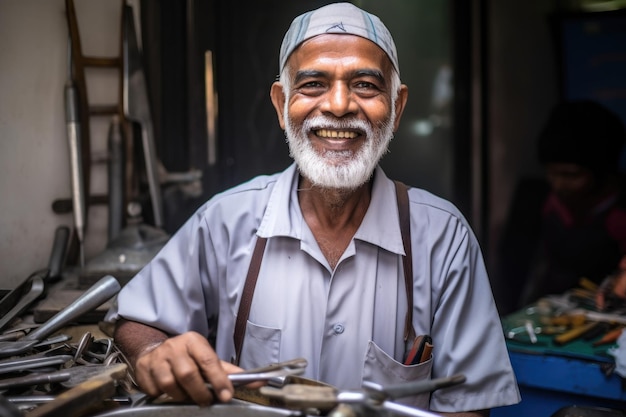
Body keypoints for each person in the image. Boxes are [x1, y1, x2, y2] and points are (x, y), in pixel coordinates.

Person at [106, 3, 520, 415]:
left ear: (396, 109)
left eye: (365, 85)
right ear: (282, 104)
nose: (339, 105)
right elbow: (138, 318)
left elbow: (467, 405)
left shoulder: (443, 238)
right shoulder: (227, 220)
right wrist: (155, 353)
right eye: (314, 84)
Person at [493, 99, 626, 314]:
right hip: (546, 314)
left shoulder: (619, 210)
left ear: (603, 174)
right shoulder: (538, 200)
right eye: (552, 173)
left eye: (571, 175)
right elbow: (514, 270)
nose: (558, 184)